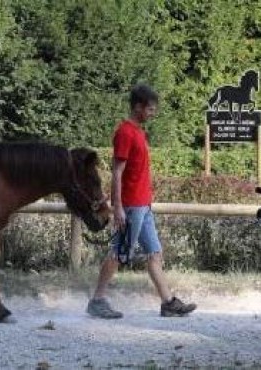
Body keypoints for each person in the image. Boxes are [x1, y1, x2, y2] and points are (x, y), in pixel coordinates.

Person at [86, 84, 197, 319]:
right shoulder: (125, 132)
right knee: (119, 253)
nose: (153, 113)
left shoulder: (138, 132)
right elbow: (117, 172)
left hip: (143, 206)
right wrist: (118, 208)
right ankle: (97, 300)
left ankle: (168, 303)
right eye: (150, 109)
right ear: (138, 107)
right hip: (131, 206)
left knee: (155, 253)